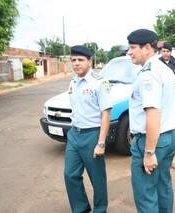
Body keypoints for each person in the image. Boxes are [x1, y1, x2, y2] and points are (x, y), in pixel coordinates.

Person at [127, 29, 175, 213]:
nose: (129, 52)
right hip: (169, 137)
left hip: (151, 141)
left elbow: (153, 113)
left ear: (147, 47)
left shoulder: (148, 74)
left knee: (146, 192)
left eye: (133, 47)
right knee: (163, 185)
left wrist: (148, 153)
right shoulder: (164, 69)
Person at [64, 45, 112, 213]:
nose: (76, 63)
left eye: (80, 60)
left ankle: (100, 209)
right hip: (74, 134)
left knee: (97, 178)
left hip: (92, 135)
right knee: (70, 175)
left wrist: (101, 142)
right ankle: (81, 208)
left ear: (90, 61)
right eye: (73, 60)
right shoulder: (73, 82)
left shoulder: (100, 82)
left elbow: (106, 113)